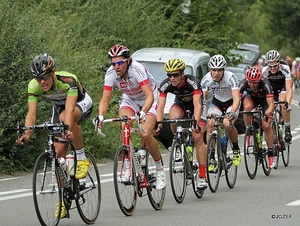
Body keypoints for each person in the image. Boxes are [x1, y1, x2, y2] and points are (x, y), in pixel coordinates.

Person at [16, 53, 93, 218]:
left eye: (44, 77)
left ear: (53, 72)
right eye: (38, 79)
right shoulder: (33, 86)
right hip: (60, 108)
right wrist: (27, 134)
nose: (42, 82)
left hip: (80, 103)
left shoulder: (68, 81)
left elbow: (70, 110)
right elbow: (32, 114)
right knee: (58, 154)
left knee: (66, 118)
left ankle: (81, 157)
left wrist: (68, 129)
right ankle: (64, 196)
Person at [96, 44, 166, 190]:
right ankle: (128, 167)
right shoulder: (110, 74)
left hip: (150, 99)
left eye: (120, 62)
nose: (116, 67)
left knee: (145, 133)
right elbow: (105, 100)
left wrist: (144, 112)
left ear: (128, 61)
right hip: (130, 100)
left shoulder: (137, 69)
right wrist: (101, 116)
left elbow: (149, 95)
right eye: (113, 63)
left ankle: (160, 170)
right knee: (124, 125)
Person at [155, 58, 208, 190]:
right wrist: (159, 124)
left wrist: (195, 123)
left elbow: (197, 105)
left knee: (197, 137)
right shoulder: (165, 84)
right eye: (169, 75)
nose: (172, 78)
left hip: (198, 106)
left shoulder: (193, 82)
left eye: (175, 75)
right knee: (173, 118)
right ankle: (177, 142)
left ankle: (202, 176)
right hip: (181, 104)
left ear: (182, 74)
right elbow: (160, 107)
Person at [201, 55, 241, 169]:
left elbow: (237, 98)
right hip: (217, 103)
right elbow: (202, 98)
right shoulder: (206, 79)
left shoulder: (231, 77)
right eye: (214, 70)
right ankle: (212, 156)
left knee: (227, 124)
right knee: (210, 123)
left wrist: (232, 112)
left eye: (219, 70)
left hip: (231, 103)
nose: (216, 73)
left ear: (224, 70)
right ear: (210, 70)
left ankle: (236, 148)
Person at [239, 66, 275, 168]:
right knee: (246, 108)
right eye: (250, 82)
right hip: (251, 99)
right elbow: (237, 100)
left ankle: (271, 154)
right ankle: (249, 131)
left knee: (266, 126)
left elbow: (271, 105)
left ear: (259, 80)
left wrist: (266, 114)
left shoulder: (265, 84)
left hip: (265, 102)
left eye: (255, 82)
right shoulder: (243, 83)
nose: (252, 84)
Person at [262, 50, 293, 143]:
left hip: (283, 86)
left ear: (279, 63)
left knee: (283, 102)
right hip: (271, 88)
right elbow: (263, 88)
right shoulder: (264, 70)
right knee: (271, 106)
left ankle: (287, 129)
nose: (272, 68)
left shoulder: (285, 68)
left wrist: (287, 104)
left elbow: (289, 89)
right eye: (270, 66)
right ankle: (274, 133)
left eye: (275, 66)